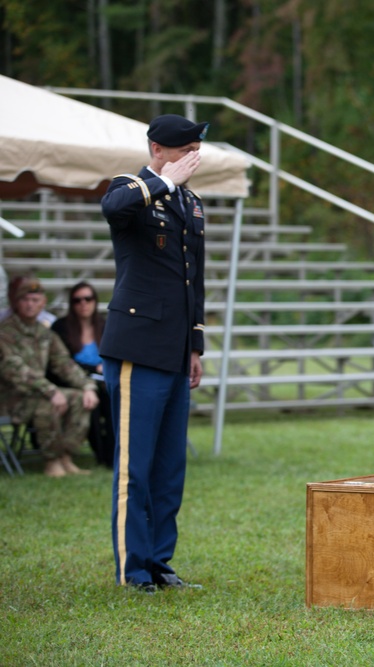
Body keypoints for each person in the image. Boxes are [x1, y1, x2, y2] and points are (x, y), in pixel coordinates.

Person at [100, 114, 207, 593]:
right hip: (137, 349)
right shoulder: (135, 187)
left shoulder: (191, 203)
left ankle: (160, 563)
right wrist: (163, 180)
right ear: (158, 149)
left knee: (168, 470)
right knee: (135, 468)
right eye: (185, 150)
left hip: (173, 350)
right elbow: (113, 210)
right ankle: (133, 569)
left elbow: (194, 282)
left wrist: (196, 346)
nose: (194, 158)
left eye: (195, 150)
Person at [0, 276, 100, 477]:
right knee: (49, 404)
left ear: (43, 303)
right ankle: (51, 461)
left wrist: (87, 386)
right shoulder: (5, 333)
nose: (30, 305)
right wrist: (51, 390)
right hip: (11, 398)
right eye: (25, 300)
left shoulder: (44, 333)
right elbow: (14, 369)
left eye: (35, 300)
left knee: (80, 399)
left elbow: (64, 364)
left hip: (39, 394)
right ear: (16, 303)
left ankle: (66, 455)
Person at [52, 281, 116, 468]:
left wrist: (105, 367)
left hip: (103, 381)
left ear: (95, 301)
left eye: (88, 299)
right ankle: (101, 454)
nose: (83, 304)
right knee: (91, 403)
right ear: (71, 304)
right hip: (74, 381)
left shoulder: (104, 326)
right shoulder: (60, 327)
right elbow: (60, 361)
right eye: (77, 300)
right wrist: (91, 370)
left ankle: (113, 456)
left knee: (113, 401)